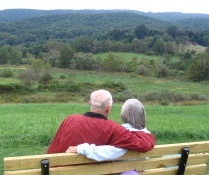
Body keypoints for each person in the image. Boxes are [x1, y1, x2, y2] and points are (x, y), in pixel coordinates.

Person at [47, 90, 155, 154]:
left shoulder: (70, 119)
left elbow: (53, 149)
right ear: (108, 109)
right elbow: (143, 144)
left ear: (89, 103)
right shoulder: (114, 129)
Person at [66, 98, 153, 175]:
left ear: (123, 114)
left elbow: (111, 152)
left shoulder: (123, 134)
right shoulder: (147, 135)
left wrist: (81, 148)